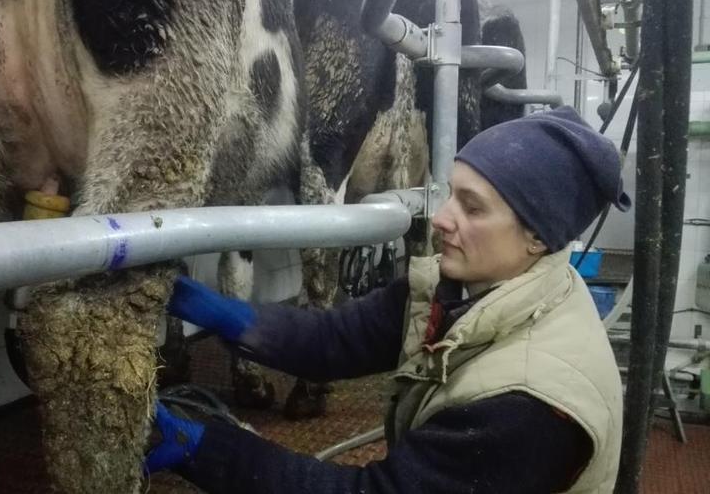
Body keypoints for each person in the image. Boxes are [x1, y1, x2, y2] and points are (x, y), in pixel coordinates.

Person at [145, 106, 631, 493]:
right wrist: (214, 310)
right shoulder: (466, 287)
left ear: (538, 237)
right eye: (450, 194)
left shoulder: (527, 405)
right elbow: (336, 339)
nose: (441, 218)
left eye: (473, 207)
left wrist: (201, 448)